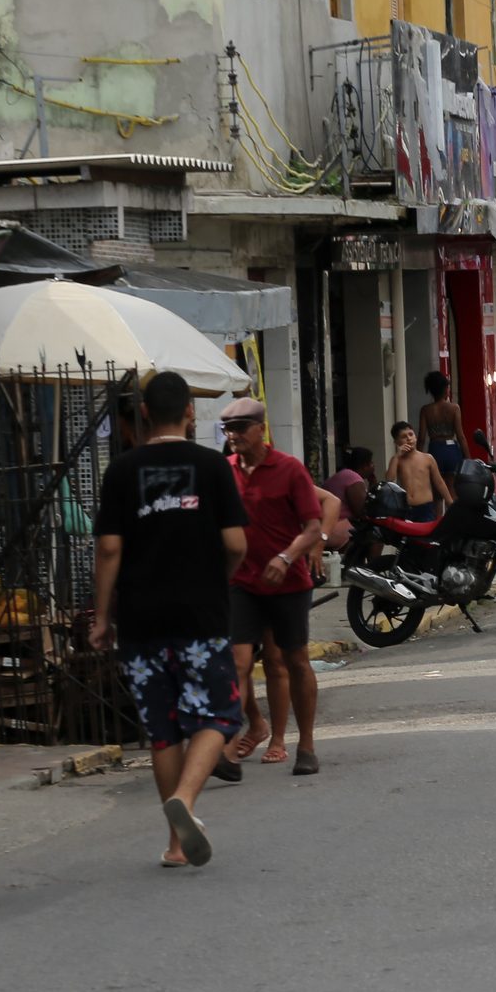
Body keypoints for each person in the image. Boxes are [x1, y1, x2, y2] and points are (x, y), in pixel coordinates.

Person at [90, 371, 248, 868]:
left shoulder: (120, 471)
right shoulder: (213, 466)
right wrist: (216, 577)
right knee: (219, 714)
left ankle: (177, 845)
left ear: (142, 413)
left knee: (164, 728)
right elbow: (237, 545)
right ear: (190, 413)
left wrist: (100, 617)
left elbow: (109, 548)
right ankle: (187, 798)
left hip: (139, 619)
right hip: (200, 615)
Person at [220, 397, 325, 779]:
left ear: (260, 429)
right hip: (241, 582)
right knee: (237, 662)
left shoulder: (290, 469)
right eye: (227, 429)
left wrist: (286, 556)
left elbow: (312, 527)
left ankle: (307, 745)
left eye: (239, 429)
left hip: (289, 583)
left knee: (294, 661)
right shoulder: (224, 470)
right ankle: (228, 751)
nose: (233, 436)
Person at [386, 421, 455, 517]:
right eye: (403, 437)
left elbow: (439, 482)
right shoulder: (397, 460)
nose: (409, 438)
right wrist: (397, 456)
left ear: (415, 437)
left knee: (427, 531)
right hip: (406, 507)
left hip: (426, 507)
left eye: (411, 434)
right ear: (396, 442)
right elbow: (389, 479)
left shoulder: (427, 458)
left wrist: (450, 502)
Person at [420, 372, 466, 483]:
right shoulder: (455, 408)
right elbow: (460, 436)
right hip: (452, 450)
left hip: (435, 450)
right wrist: (468, 459)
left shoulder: (425, 410)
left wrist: (418, 458)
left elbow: (421, 438)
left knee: (437, 495)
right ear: (446, 390)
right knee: (452, 493)